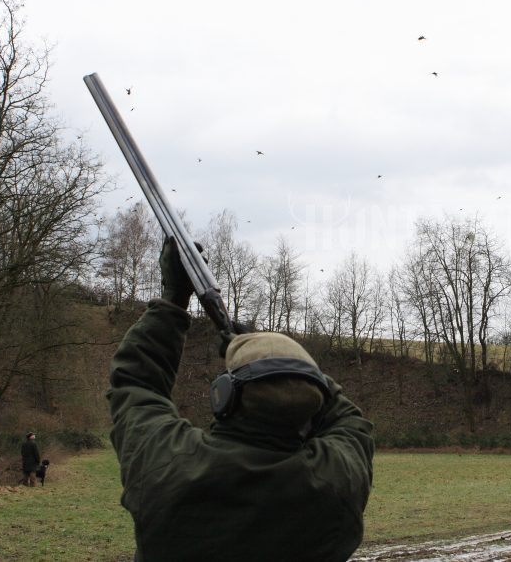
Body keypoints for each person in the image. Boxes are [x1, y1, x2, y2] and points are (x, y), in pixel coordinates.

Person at [107, 237, 374, 561]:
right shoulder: (337, 484)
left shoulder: (170, 465)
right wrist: (278, 357)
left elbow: (137, 381)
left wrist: (173, 298)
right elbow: (349, 420)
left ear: (223, 397)